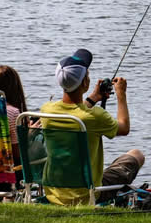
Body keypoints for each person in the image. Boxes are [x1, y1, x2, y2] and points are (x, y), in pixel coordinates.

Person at [40, 48, 144, 205]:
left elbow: (76, 113)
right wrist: (121, 94)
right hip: (87, 194)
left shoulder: (47, 111)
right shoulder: (95, 116)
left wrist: (93, 98)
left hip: (54, 192)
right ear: (85, 82)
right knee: (136, 155)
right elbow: (124, 127)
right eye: (87, 74)